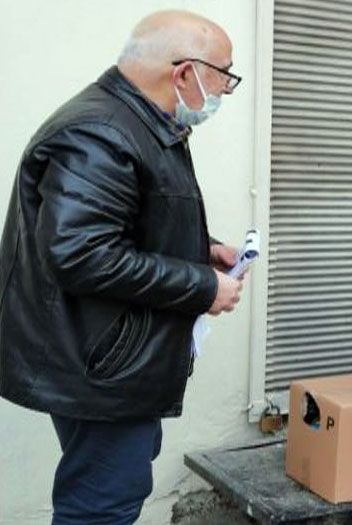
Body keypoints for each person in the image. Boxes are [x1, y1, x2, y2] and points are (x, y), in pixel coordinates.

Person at [0, 10, 244, 524]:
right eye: (224, 76)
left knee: (106, 490)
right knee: (101, 506)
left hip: (104, 355)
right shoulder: (102, 131)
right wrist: (202, 287)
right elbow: (80, 253)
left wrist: (205, 249)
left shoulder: (134, 122)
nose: (225, 91)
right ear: (185, 73)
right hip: (103, 365)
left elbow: (124, 222)